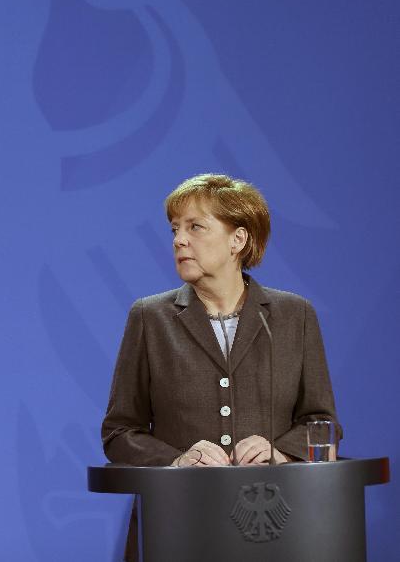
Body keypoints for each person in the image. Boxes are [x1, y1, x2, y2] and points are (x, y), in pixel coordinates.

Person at [101, 173, 340, 558]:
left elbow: (322, 423)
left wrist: (277, 453)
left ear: (238, 240)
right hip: (178, 527)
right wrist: (176, 460)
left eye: (195, 226)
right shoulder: (149, 317)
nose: (179, 239)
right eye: (175, 228)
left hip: (275, 529)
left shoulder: (294, 316)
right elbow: (119, 432)